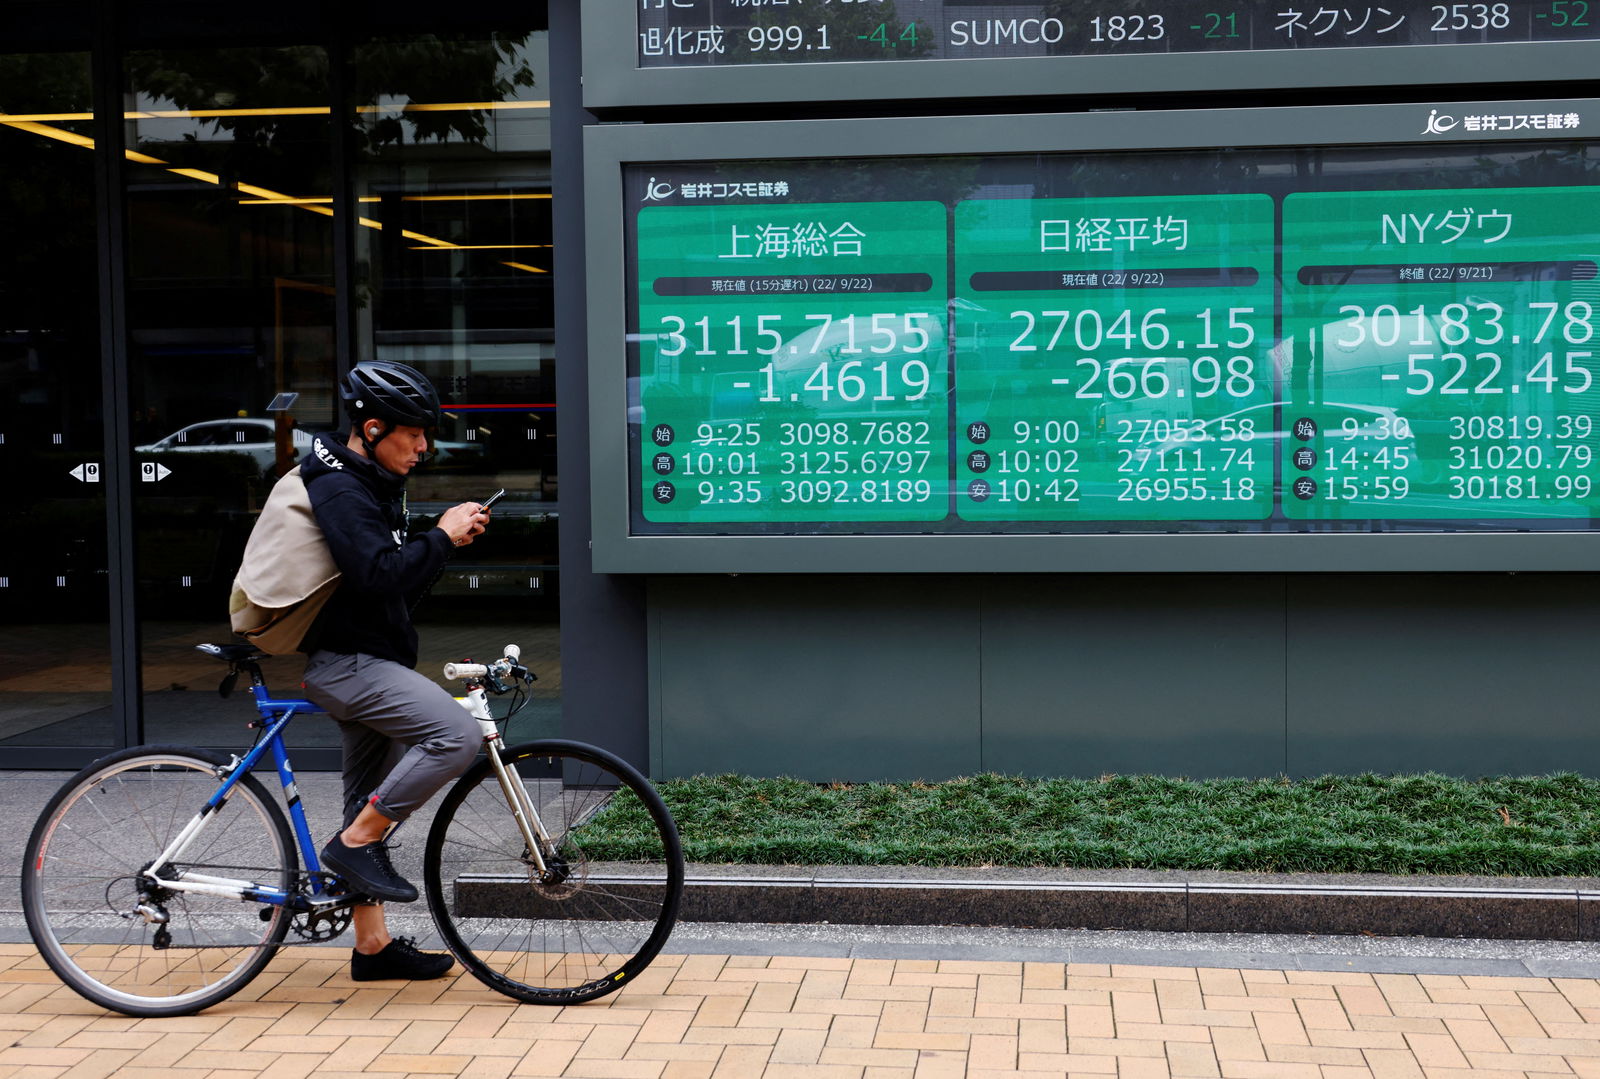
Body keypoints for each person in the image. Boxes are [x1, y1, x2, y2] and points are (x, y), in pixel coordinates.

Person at [297, 359, 490, 981]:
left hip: (370, 658)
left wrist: (444, 544)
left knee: (365, 800)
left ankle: (372, 948)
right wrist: (438, 536)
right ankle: (353, 846)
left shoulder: (368, 481)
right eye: (414, 435)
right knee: (456, 736)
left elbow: (391, 591)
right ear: (374, 428)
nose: (424, 447)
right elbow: (378, 573)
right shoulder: (341, 488)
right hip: (349, 664)